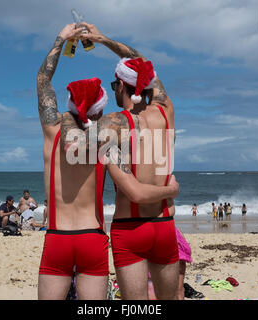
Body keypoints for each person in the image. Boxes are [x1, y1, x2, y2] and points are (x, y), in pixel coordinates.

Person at [36, 24, 180, 300]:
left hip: (121, 229)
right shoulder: (166, 109)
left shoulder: (109, 128)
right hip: (160, 224)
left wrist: (62, 39)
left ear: (122, 86)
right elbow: (141, 63)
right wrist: (101, 40)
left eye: (115, 84)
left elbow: (43, 79)